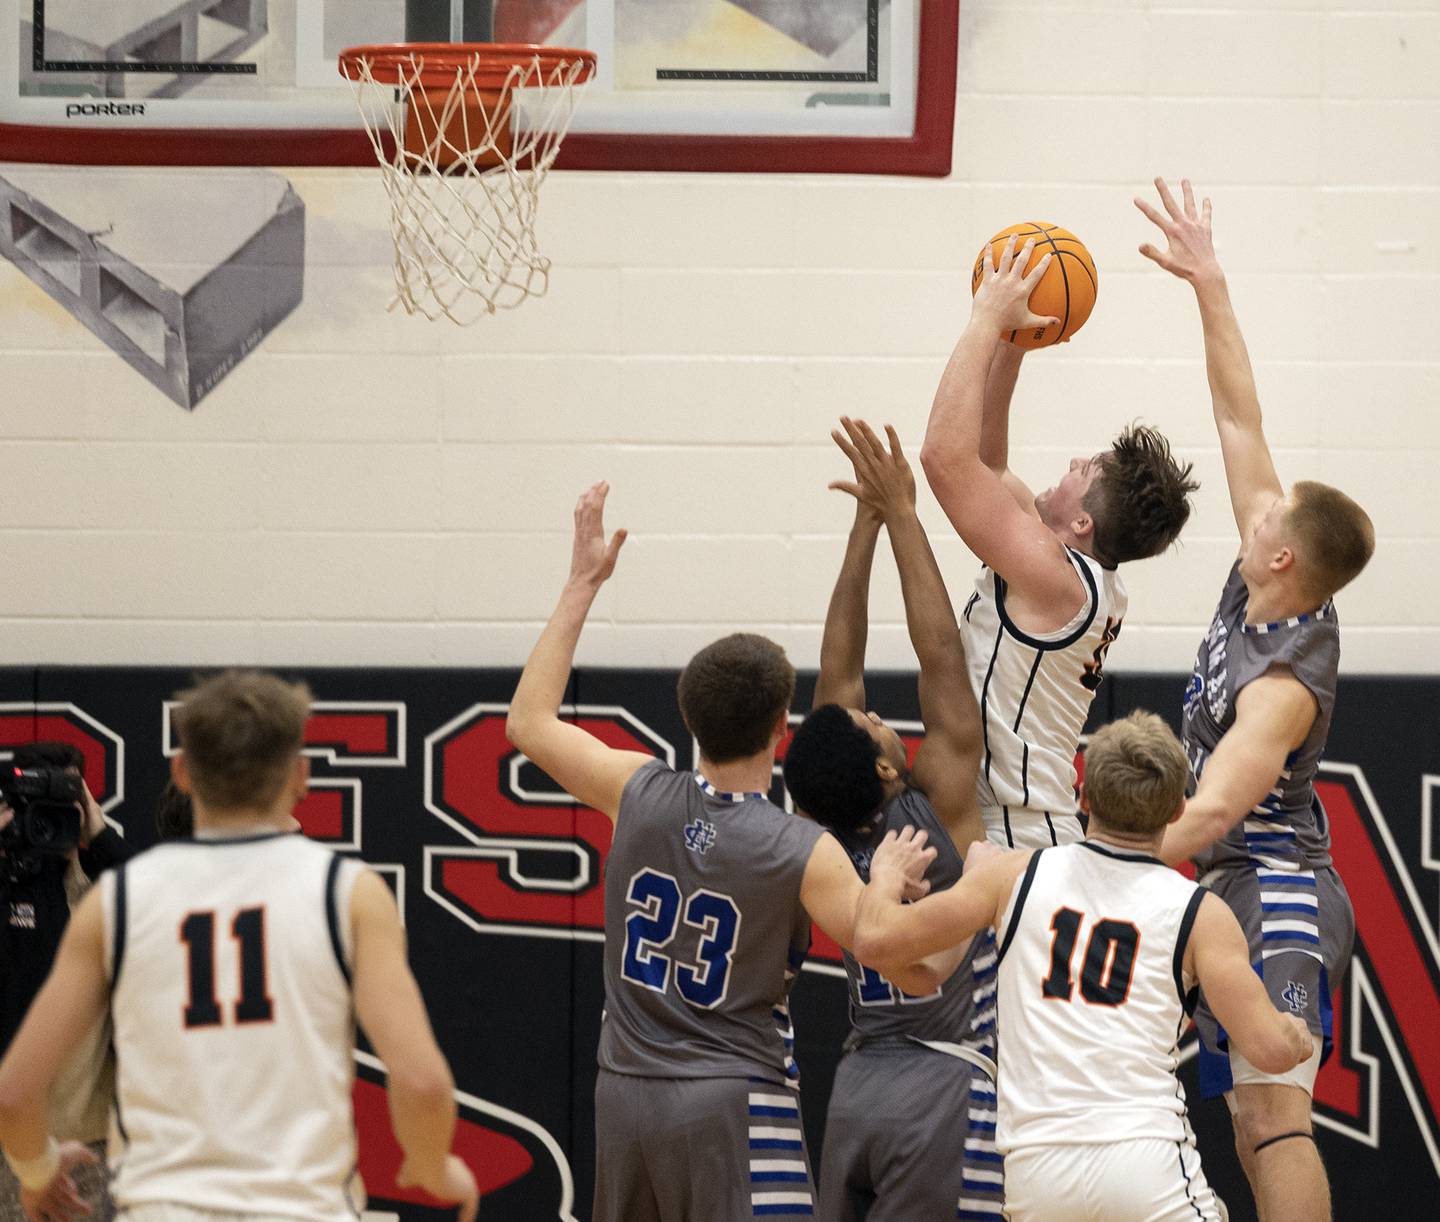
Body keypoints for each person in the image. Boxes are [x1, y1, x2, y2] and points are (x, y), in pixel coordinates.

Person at [505, 483, 936, 1222]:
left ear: (688, 719)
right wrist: (889, 884)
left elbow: (528, 720)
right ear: (781, 726)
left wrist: (582, 583)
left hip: (623, 1094)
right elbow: (910, 970)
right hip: (733, 1104)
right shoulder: (803, 849)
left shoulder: (634, 790)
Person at [0, 670, 478, 1222]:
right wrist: (433, 1165)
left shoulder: (119, 900)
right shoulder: (350, 894)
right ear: (301, 776)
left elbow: (15, 1093)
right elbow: (421, 1080)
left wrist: (36, 1174)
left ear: (182, 773)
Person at [1136, 177, 1376, 1222]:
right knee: (1245, 1120)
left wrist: (1103, 859)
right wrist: (1209, 281)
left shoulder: (1282, 687)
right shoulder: (1263, 569)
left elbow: (1218, 810)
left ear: (1283, 553)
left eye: (1268, 509)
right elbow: (1239, 412)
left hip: (1272, 884)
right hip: (1235, 881)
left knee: (1276, 1121)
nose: (1255, 498)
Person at [851, 711, 1315, 1222]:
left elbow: (874, 942)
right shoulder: (1200, 912)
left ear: (1084, 797)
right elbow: (1269, 1051)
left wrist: (885, 877)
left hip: (1037, 1172)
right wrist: (1291, 1034)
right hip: (1146, 1164)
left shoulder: (1009, 877)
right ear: (1178, 810)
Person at [782, 418, 1000, 1222]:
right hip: (941, 1083)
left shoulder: (822, 834)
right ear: (885, 767)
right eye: (878, 728)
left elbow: (836, 671)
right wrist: (903, 515)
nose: (881, 718)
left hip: (857, 1085)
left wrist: (863, 526)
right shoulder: (936, 801)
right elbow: (942, 657)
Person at [919, 236, 1198, 850]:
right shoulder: (1072, 573)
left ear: (1082, 526)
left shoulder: (1057, 579)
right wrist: (1013, 345)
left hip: (1014, 832)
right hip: (1008, 822)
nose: (1073, 461)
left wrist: (984, 317)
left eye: (1086, 470)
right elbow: (988, 465)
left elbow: (945, 458)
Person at [0, 742, 137, 1222]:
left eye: (70, 800)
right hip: (9, 1132)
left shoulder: (103, 881)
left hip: (89, 1130)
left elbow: (159, 906)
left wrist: (98, 834)